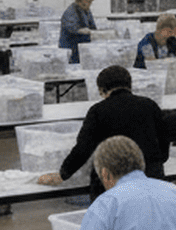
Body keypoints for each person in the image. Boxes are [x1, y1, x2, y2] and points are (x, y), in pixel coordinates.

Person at [38, 65, 167, 200]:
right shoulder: (150, 105)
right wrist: (157, 163)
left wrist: (63, 174)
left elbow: (83, 148)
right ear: (130, 86)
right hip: (151, 180)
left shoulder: (97, 111)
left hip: (114, 182)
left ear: (102, 90)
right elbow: (164, 140)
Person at [59, 0, 97, 64]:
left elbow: (93, 27)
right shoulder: (70, 11)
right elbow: (71, 28)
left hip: (82, 48)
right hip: (70, 47)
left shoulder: (86, 10)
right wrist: (83, 31)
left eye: (90, 2)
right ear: (80, 1)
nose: (89, 4)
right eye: (88, 2)